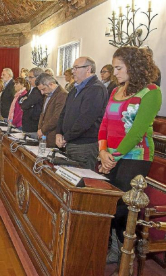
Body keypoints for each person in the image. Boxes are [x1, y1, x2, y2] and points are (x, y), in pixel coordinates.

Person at [98, 46, 161, 262]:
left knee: (123, 208)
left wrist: (111, 158)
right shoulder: (116, 91)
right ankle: (113, 249)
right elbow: (104, 123)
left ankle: (125, 255)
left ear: (133, 67)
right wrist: (102, 151)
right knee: (107, 204)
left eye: (118, 68)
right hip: (110, 156)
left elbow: (137, 132)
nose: (115, 73)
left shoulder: (151, 92)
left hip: (135, 157)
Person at [56, 56, 108, 170]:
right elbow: (63, 113)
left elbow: (86, 119)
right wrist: (59, 132)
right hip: (70, 142)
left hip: (84, 145)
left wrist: (66, 137)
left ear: (88, 69)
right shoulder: (75, 89)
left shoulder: (96, 89)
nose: (73, 71)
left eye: (76, 68)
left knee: (81, 180)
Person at [36, 73, 68, 147]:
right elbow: (43, 113)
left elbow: (57, 117)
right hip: (44, 135)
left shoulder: (62, 94)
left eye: (43, 89)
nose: (42, 92)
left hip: (53, 136)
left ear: (51, 84)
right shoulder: (48, 94)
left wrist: (43, 130)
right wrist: (39, 128)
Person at [20, 67, 44, 134]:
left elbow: (25, 105)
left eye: (31, 77)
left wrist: (25, 101)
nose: (29, 80)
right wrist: (25, 101)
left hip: (33, 125)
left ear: (38, 77)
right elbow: (21, 99)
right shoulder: (32, 89)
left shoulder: (37, 91)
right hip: (28, 124)